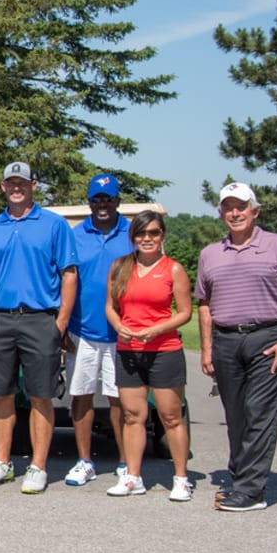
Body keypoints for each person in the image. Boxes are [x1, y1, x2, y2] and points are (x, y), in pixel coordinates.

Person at [197, 182, 277, 512]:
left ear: (255, 211)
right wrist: (206, 349)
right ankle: (240, 475)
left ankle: (252, 491)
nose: (235, 213)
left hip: (269, 338)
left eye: (242, 207)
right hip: (226, 340)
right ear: (221, 213)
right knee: (235, 415)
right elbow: (204, 303)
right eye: (229, 208)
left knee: (258, 413)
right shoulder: (210, 254)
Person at [0, 161, 78, 494]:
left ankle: (38, 465)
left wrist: (60, 323)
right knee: (2, 394)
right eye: (10, 182)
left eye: (23, 182)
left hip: (40, 318)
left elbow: (69, 274)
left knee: (40, 396)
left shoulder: (54, 224)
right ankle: (3, 461)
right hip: (0, 318)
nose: (16, 187)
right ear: (2, 187)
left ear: (34, 184)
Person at [104, 211, 193, 500]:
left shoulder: (173, 269)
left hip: (164, 351)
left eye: (154, 233)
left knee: (170, 416)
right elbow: (110, 307)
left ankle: (180, 479)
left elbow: (184, 312)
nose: (148, 238)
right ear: (133, 237)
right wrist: (118, 326)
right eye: (142, 233)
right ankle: (133, 477)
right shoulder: (120, 267)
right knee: (132, 416)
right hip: (129, 351)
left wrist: (156, 329)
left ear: (162, 235)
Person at [62, 173, 133, 487]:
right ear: (89, 202)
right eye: (96, 199)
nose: (102, 205)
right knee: (81, 396)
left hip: (122, 331)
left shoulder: (133, 234)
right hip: (82, 329)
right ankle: (84, 460)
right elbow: (63, 280)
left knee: (119, 399)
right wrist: (62, 325)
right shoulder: (75, 235)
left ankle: (123, 460)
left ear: (118, 201)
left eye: (108, 199)